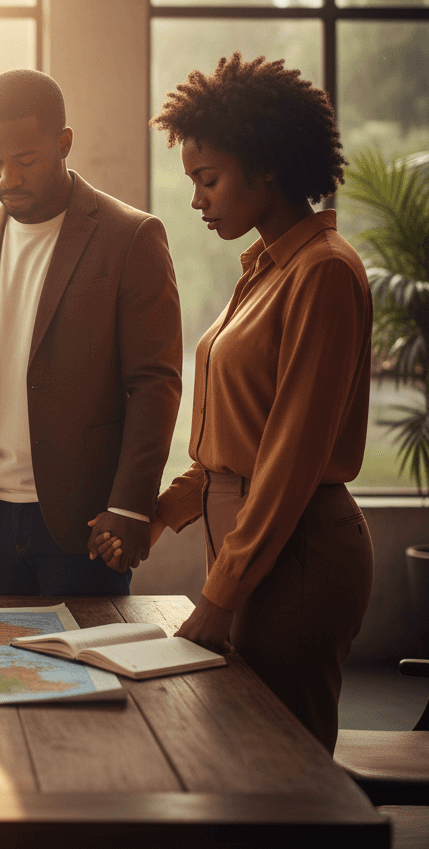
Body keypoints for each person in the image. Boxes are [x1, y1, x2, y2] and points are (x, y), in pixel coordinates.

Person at [126, 51, 373, 752]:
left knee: (285, 768)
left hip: (298, 557)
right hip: (251, 545)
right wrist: (161, 515)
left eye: (209, 180)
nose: (198, 199)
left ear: (266, 165)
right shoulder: (264, 270)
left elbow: (290, 461)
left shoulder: (323, 274)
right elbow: (233, 444)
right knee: (242, 754)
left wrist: (221, 593)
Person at [0, 69, 182, 595]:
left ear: (64, 142)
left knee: (86, 676)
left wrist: (130, 505)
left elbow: (154, 384)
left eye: (26, 160)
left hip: (86, 525)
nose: (7, 179)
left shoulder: (131, 237)